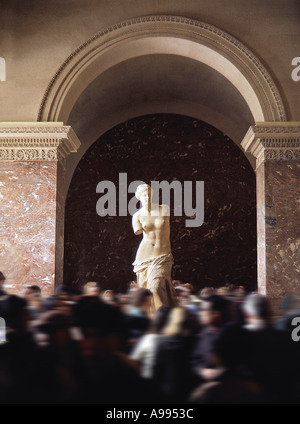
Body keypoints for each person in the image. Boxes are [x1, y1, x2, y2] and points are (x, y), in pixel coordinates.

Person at [132, 184, 176, 310]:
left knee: (156, 286)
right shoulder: (137, 216)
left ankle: (162, 315)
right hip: (144, 256)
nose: (147, 198)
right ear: (139, 198)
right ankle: (155, 316)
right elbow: (138, 231)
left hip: (163, 255)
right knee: (149, 290)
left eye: (149, 195)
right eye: (144, 195)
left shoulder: (164, 209)